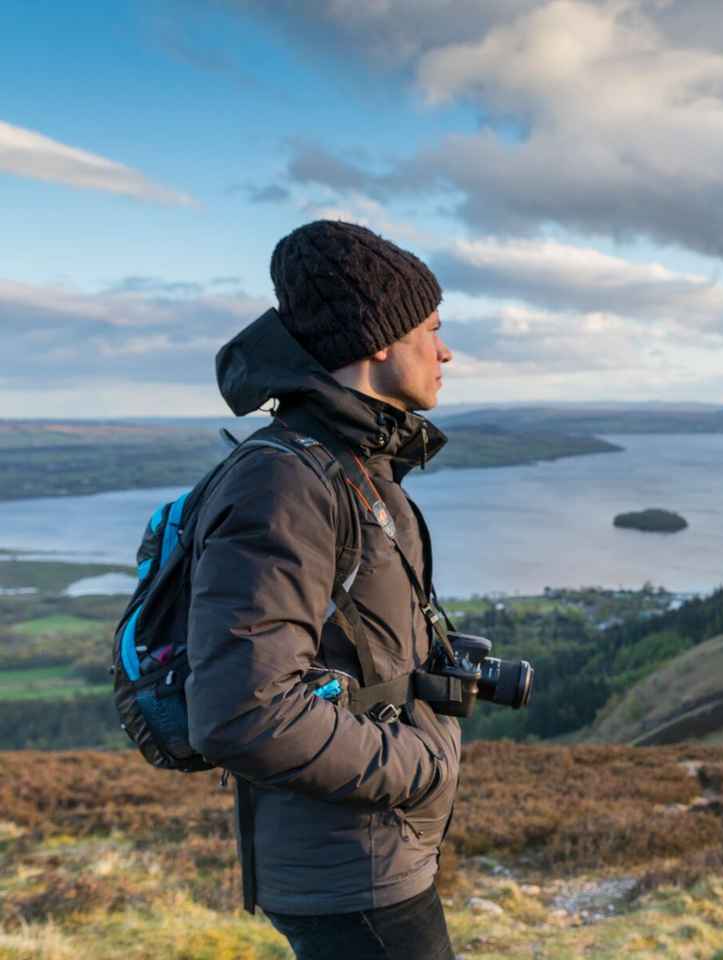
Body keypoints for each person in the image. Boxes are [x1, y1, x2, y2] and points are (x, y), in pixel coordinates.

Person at [185, 220, 459, 959]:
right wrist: (421, 765)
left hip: (368, 850)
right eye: (431, 329)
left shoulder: (351, 460)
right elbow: (243, 714)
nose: (446, 351)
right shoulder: (287, 478)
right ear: (380, 339)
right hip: (351, 869)